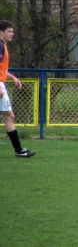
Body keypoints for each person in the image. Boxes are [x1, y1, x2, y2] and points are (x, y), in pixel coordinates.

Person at [0, 20, 36, 158]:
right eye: (9, 31)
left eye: (13, 31)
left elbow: (2, 68)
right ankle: (19, 150)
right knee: (9, 116)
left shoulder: (3, 46)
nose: (12, 34)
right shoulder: (0, 46)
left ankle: (19, 150)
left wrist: (12, 77)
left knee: (9, 116)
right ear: (1, 32)